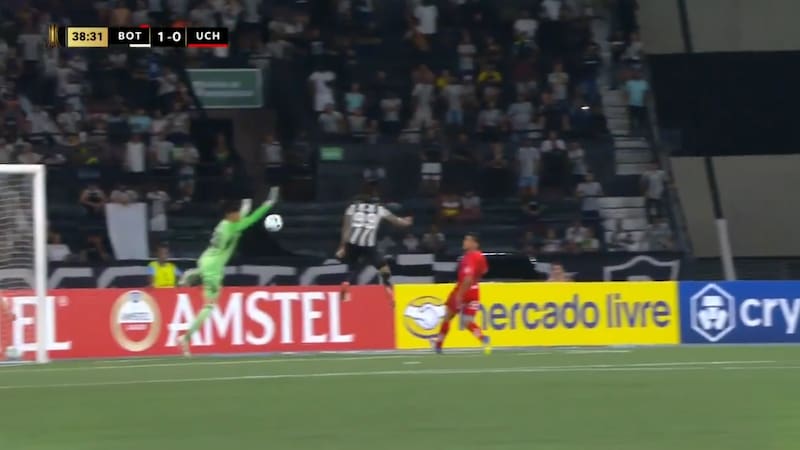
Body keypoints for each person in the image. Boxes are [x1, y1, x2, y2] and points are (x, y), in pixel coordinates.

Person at [178, 187, 280, 356]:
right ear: (230, 215)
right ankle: (186, 337)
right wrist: (268, 204)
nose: (238, 215)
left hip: (205, 260)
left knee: (207, 298)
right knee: (209, 306)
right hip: (214, 269)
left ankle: (194, 275)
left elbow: (242, 219)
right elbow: (252, 219)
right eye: (236, 213)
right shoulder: (232, 227)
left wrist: (245, 205)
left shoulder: (224, 225)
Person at [336, 195, 413, 304]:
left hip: (353, 243)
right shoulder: (379, 209)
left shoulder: (352, 208)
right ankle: (387, 287)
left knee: (353, 268)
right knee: (383, 268)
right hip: (369, 245)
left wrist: (342, 246)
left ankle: (346, 283)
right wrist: (406, 222)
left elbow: (346, 228)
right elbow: (396, 221)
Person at [433, 232, 490, 355]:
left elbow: (467, 278)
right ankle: (483, 338)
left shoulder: (469, 257)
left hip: (463, 289)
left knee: (448, 317)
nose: (465, 242)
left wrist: (459, 295)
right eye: (465, 240)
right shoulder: (481, 256)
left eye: (468, 240)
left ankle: (438, 344)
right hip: (475, 290)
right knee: (467, 321)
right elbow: (484, 270)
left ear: (475, 244)